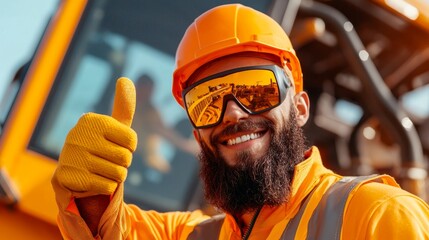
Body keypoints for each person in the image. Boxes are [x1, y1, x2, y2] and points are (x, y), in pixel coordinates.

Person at [51, 4, 429, 239]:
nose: (232, 112)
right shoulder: (196, 235)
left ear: (299, 106)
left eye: (256, 90)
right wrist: (92, 195)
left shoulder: (378, 216)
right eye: (208, 102)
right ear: (197, 133)